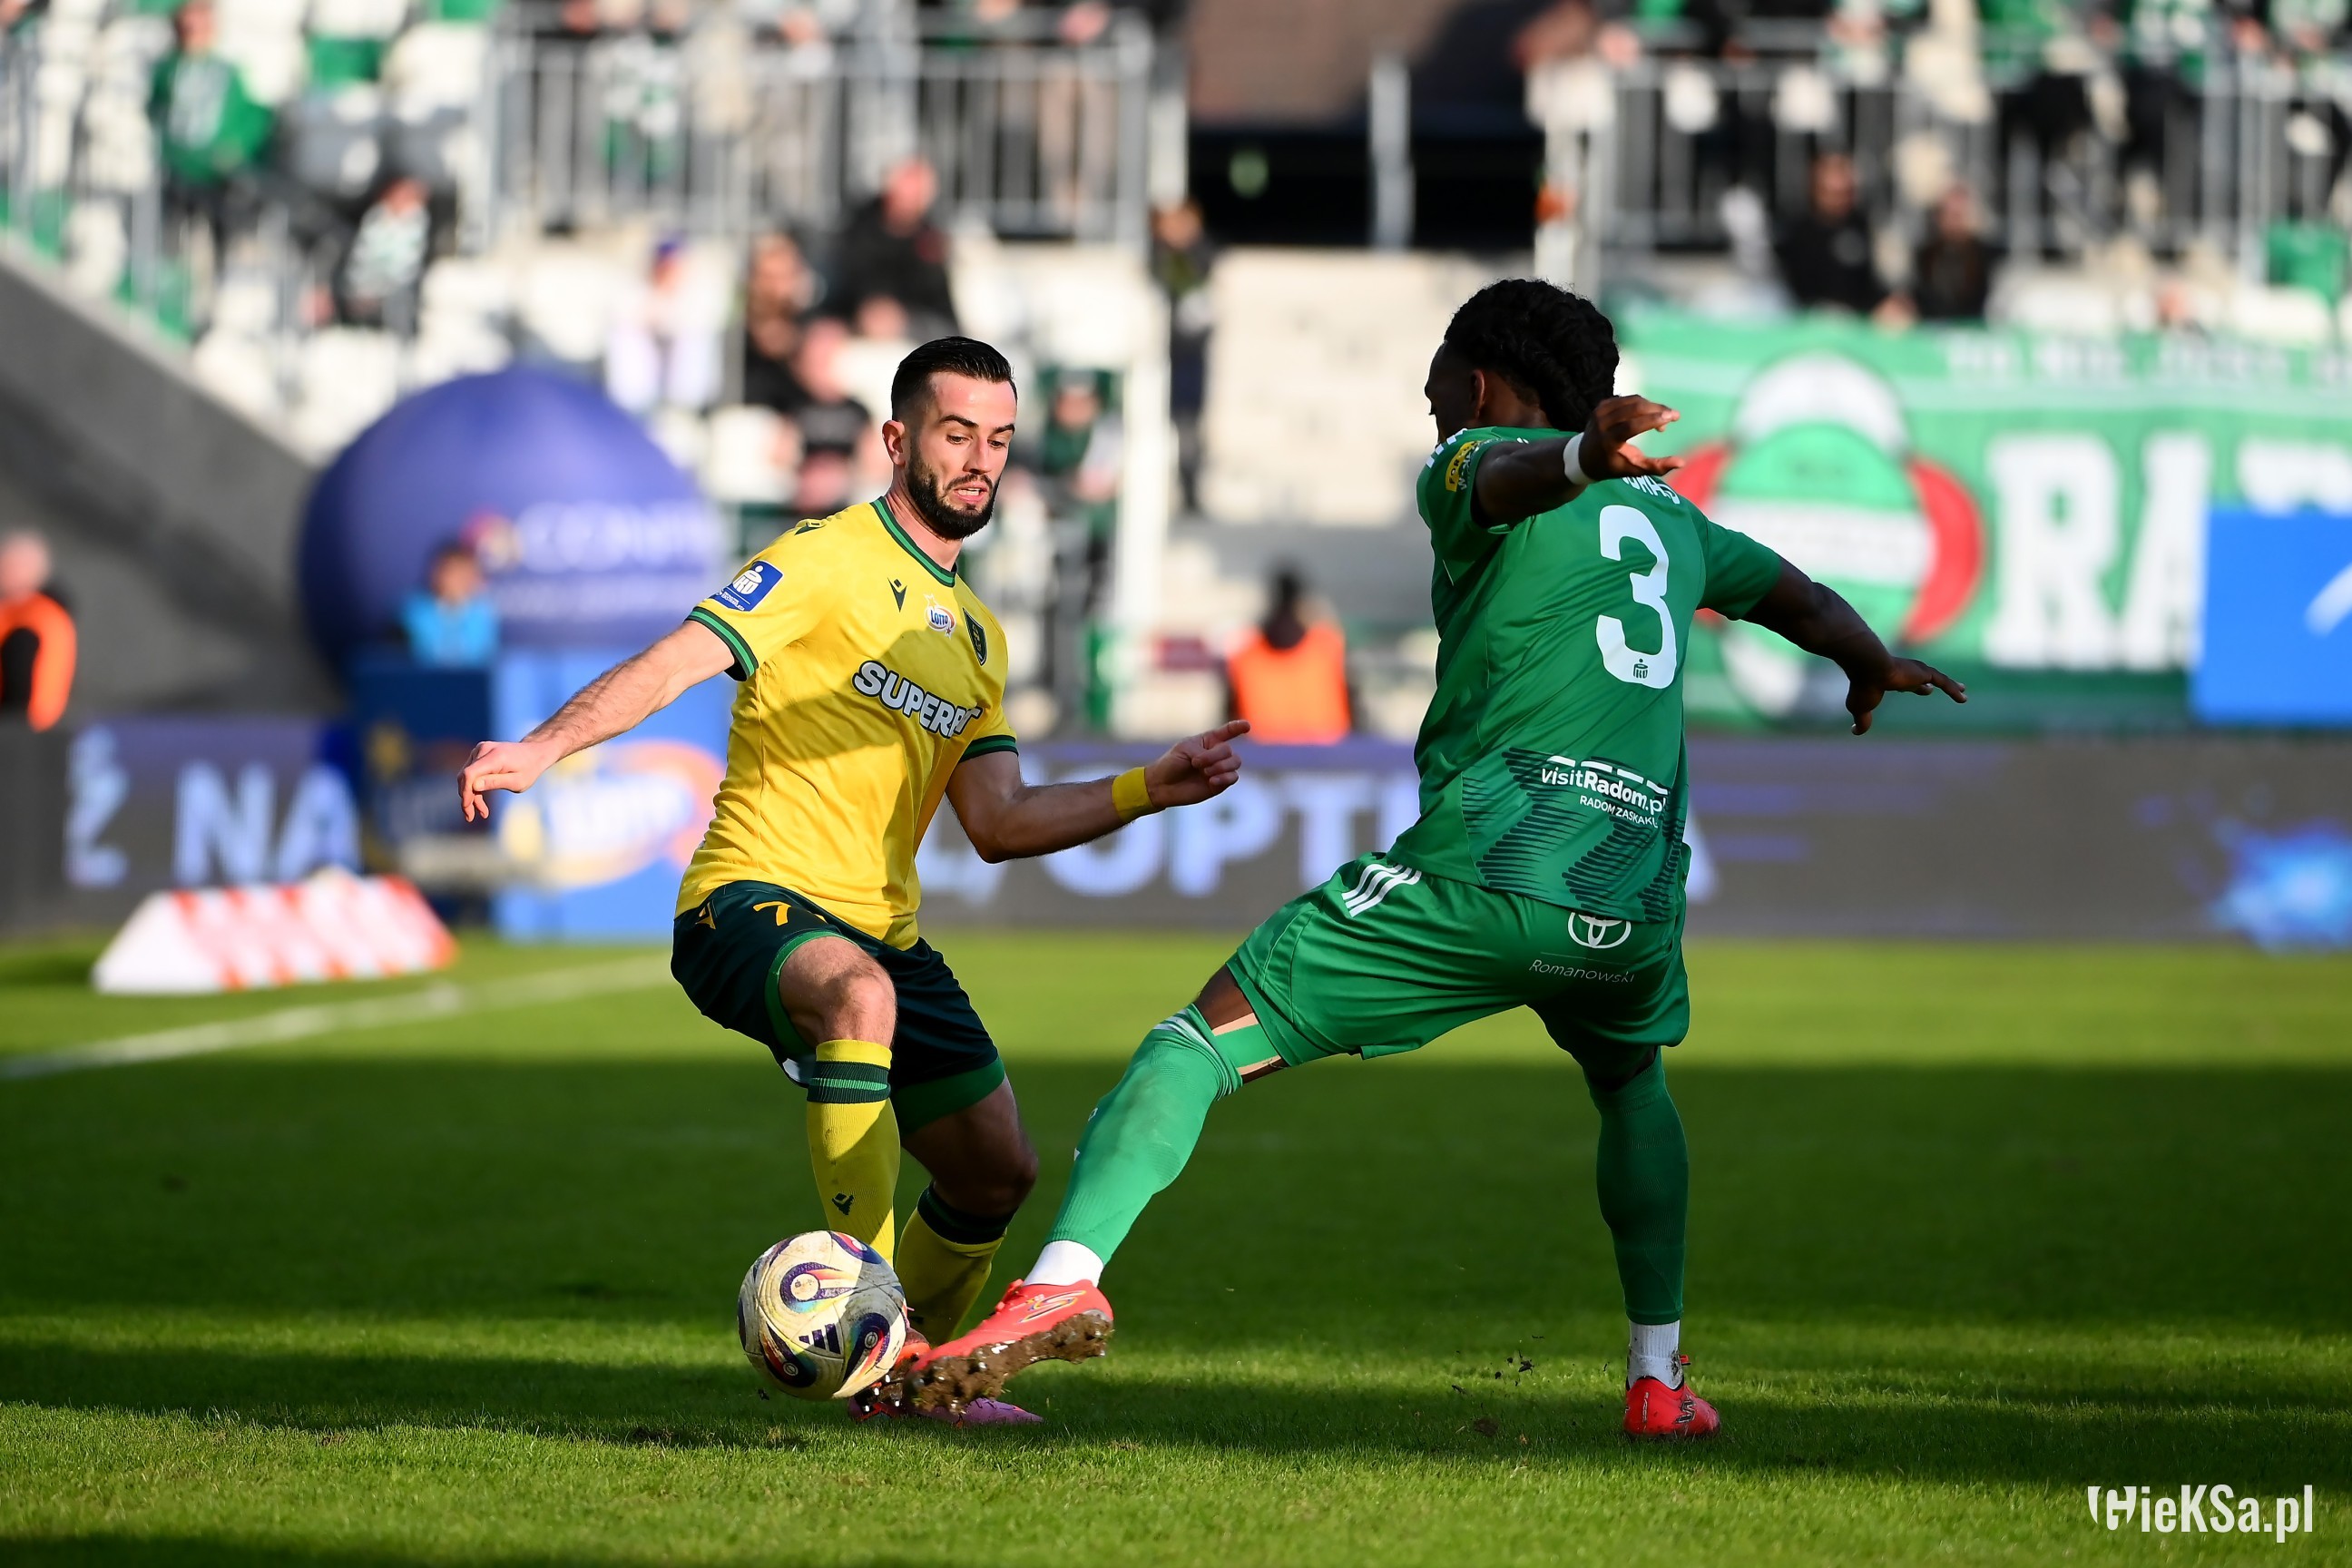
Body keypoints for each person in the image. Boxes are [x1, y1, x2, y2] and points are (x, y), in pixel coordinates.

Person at [909, 280, 1965, 1436]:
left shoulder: (1470, 460)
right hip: (1631, 903)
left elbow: (1510, 481)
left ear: (1478, 381)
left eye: (1437, 380)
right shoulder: (1675, 521)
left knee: (1196, 1043)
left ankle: (1063, 1278)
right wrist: (1870, 661)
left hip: (1484, 873)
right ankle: (1657, 1380)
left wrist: (1573, 457)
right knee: (1632, 1086)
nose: (1429, 401)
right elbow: (1799, 597)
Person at [456, 337, 1253, 1426]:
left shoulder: (979, 638)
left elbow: (1000, 822)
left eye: (999, 440)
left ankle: (910, 1389)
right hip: (750, 899)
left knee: (996, 1172)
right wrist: (547, 745)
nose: (980, 460)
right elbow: (677, 660)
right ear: (896, 439)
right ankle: (871, 1332)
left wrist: (1147, 787)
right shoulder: (824, 557)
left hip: (885, 931)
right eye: (957, 434)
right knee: (857, 997)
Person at [150, 0, 273, 278]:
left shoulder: (228, 71)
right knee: (171, 235)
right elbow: (156, 109)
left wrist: (236, 148)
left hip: (215, 174)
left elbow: (253, 117)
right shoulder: (168, 68)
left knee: (220, 231)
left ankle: (218, 280)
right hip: (176, 168)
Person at [828, 157, 959, 342]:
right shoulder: (858, 229)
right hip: (856, 320)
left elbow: (939, 306)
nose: (912, 198)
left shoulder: (930, 241)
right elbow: (844, 286)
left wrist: (903, 319)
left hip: (916, 325)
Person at [1225, 567, 1350, 744]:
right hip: (1328, 755)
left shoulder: (1244, 653)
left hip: (1262, 755)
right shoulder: (1329, 646)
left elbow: (1229, 721)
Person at [1775, 152, 1891, 317]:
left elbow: (1874, 282)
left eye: (1846, 193)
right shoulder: (1797, 233)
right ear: (1815, 190)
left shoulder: (1862, 227)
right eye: (1833, 193)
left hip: (1858, 319)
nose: (1840, 200)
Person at [336, 176, 433, 334]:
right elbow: (359, 252)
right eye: (399, 194)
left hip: (393, 290)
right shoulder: (374, 217)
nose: (401, 200)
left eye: (408, 196)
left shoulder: (416, 224)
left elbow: (407, 264)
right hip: (357, 282)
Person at [0, 530, 75, 732]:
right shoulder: (31, 613)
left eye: (9, 565)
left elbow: (18, 688)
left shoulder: (30, 621)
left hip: (20, 733)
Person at [403, 543, 500, 668]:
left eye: (467, 573)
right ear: (437, 574)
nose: (461, 580)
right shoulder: (411, 615)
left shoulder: (484, 616)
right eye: (455, 573)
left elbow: (485, 664)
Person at [1911, 184, 1995, 321]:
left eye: (1959, 215)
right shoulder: (1924, 256)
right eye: (1949, 215)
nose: (1954, 222)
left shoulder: (1990, 258)